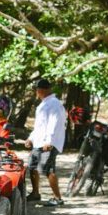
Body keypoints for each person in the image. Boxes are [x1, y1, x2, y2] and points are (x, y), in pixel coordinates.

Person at [25, 78, 67, 206]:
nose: (36, 93)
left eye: (37, 90)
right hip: (39, 142)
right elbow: (40, 126)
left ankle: (58, 198)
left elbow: (54, 124)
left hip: (48, 143)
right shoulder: (44, 104)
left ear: (43, 90)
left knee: (48, 169)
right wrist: (31, 138)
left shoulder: (54, 104)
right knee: (32, 167)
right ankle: (35, 193)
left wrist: (49, 141)